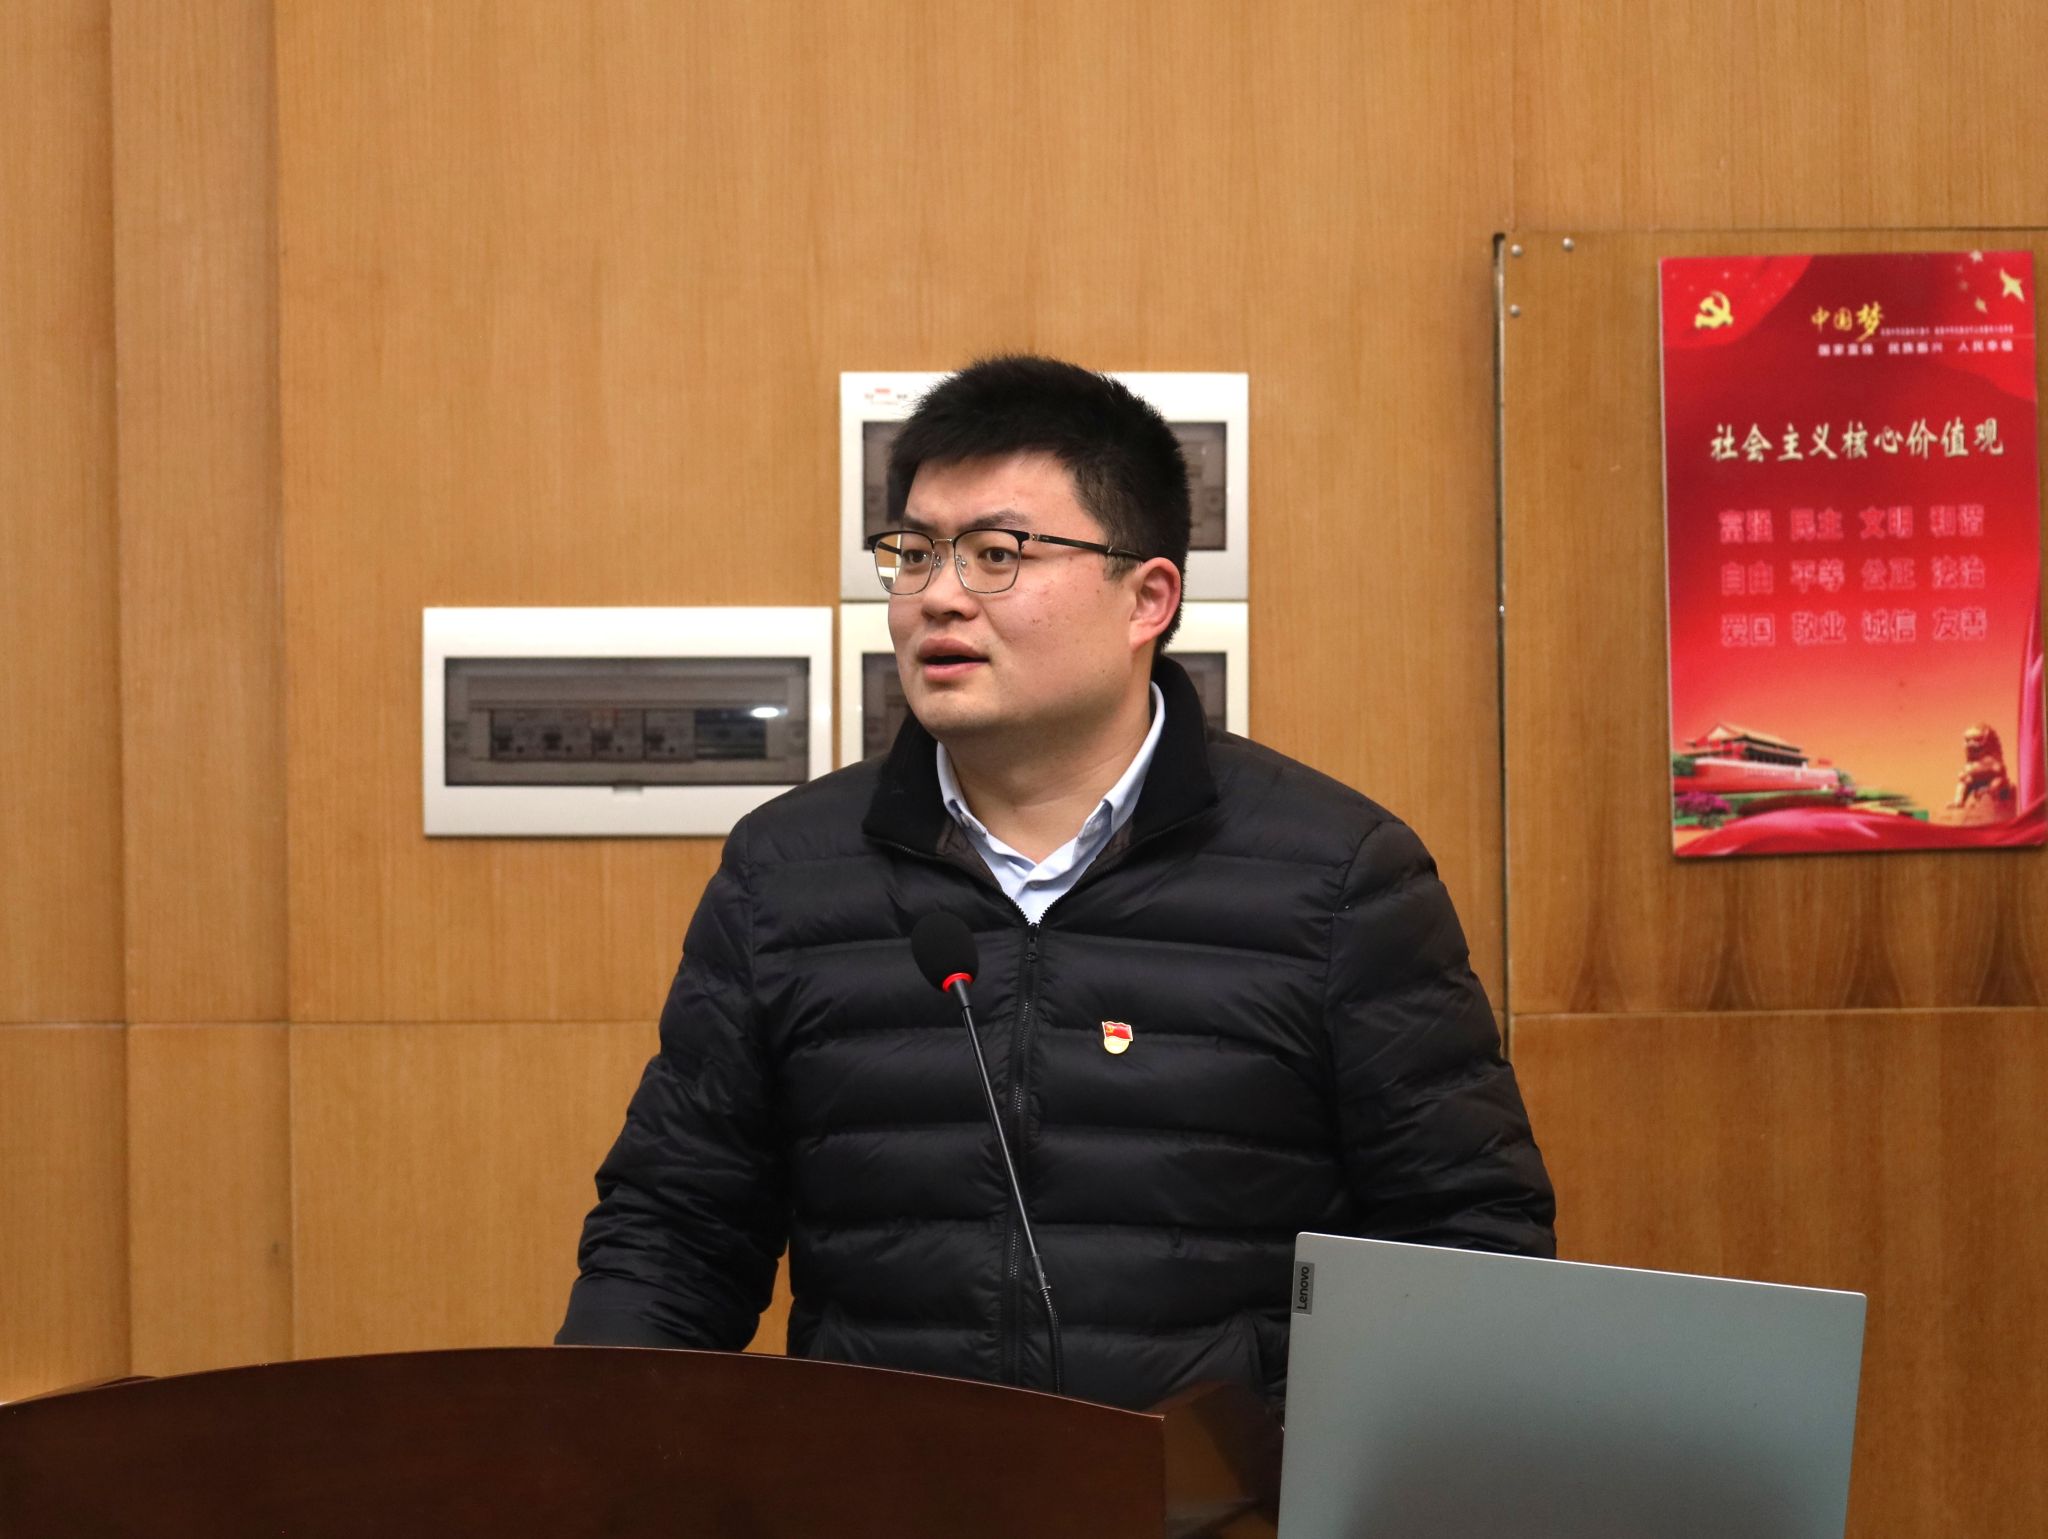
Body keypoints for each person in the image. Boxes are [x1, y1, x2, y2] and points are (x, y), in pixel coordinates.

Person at [557, 356, 1555, 1410]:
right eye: (914, 553)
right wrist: (592, 1457)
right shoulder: (787, 875)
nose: (938, 596)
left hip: (1215, 1494)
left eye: (998, 554)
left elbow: (1466, 1245)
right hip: (885, 1485)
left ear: (1146, 598)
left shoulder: (1335, 873)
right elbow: (672, 1234)